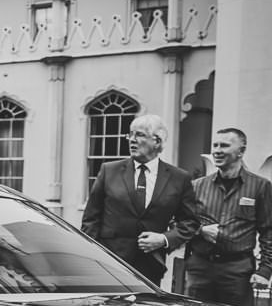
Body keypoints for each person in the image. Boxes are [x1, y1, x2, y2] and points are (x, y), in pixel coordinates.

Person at [81, 114, 199, 287]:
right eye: (130, 135)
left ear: (157, 142)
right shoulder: (109, 171)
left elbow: (190, 222)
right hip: (109, 264)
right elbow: (90, 219)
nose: (132, 140)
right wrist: (91, 258)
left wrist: (164, 239)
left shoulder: (179, 178)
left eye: (140, 135)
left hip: (150, 267)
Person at [184, 127, 272, 306]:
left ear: (241, 151)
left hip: (237, 270)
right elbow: (180, 221)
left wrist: (265, 270)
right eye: (215, 145)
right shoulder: (197, 186)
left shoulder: (259, 187)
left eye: (225, 145)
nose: (217, 150)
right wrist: (200, 230)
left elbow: (270, 231)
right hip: (200, 268)